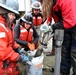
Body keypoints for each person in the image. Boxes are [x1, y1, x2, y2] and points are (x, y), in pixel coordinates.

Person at [38, 0, 76, 75]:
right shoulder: (53, 4)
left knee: (74, 53)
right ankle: (63, 72)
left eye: (41, 1)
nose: (41, 4)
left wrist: (53, 27)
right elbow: (52, 16)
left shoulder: (65, 1)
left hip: (73, 24)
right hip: (67, 26)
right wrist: (48, 25)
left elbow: (71, 21)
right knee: (65, 52)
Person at [0, 0, 30, 75]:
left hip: (9, 61)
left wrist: (18, 49)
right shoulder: (1, 27)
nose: (13, 17)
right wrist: (18, 57)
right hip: (2, 64)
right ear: (4, 13)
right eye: (11, 14)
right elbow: (3, 51)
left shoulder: (9, 25)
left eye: (14, 15)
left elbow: (12, 42)